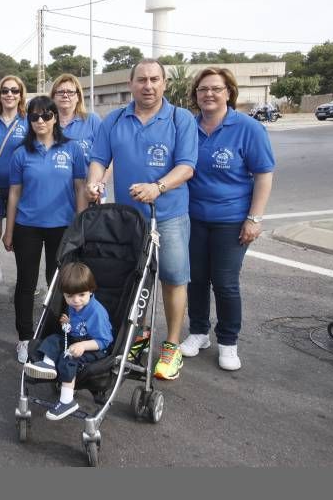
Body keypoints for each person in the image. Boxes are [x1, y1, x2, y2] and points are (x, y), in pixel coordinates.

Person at [86, 59, 198, 381]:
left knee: (174, 278)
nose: (148, 86)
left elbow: (187, 167)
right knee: (137, 282)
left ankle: (172, 346)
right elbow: (98, 160)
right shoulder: (115, 120)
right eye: (141, 80)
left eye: (154, 79)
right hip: (129, 221)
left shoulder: (180, 119)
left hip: (169, 216)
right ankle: (139, 342)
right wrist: (96, 183)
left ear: (164, 83)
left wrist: (157, 187)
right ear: (131, 83)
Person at [180, 67, 275, 371]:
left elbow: (263, 175)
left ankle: (228, 341)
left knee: (224, 282)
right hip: (192, 217)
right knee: (195, 279)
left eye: (216, 88)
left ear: (229, 92)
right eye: (203, 89)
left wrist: (254, 218)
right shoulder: (188, 127)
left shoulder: (248, 128)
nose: (209, 94)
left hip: (231, 220)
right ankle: (198, 333)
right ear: (195, 94)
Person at [2, 96, 88, 363]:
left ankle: (53, 335)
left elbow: (80, 189)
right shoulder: (20, 153)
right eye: (34, 117)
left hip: (62, 227)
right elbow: (14, 194)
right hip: (27, 226)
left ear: (55, 118)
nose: (40, 121)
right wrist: (9, 230)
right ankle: (25, 338)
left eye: (46, 115)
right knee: (26, 283)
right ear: (28, 120)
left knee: (58, 283)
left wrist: (81, 225)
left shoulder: (71, 150)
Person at [24, 263, 112, 420]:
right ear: (64, 294)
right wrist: (68, 324)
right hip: (75, 339)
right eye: (69, 296)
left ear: (91, 291)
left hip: (94, 348)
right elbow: (79, 326)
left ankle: (67, 401)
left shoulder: (96, 312)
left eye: (81, 295)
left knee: (68, 357)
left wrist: (83, 345)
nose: (76, 301)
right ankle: (48, 364)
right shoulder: (74, 306)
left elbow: (105, 341)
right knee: (53, 339)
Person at [0, 75, 28, 221]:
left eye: (15, 91)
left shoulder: (29, 121)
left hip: (19, 188)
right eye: (5, 91)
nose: (10, 94)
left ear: (21, 95)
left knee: (15, 236)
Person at [50, 73, 102, 165]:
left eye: (70, 92)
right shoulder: (44, 123)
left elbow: (107, 156)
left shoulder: (92, 121)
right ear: (53, 97)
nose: (65, 95)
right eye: (60, 92)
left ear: (78, 97)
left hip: (88, 179)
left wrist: (101, 179)